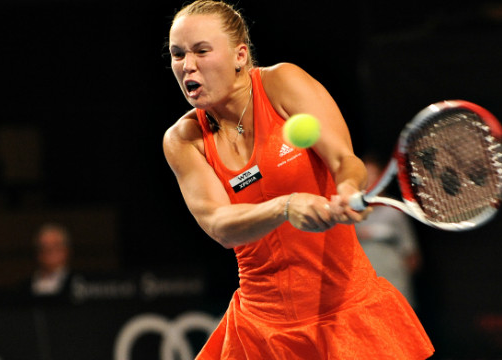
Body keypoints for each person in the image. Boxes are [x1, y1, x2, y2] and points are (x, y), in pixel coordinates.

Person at [162, 1, 434, 358]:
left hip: (345, 313)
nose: (188, 65)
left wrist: (349, 190)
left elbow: (343, 160)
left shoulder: (283, 83)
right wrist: (286, 206)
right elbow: (219, 225)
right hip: (259, 329)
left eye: (201, 51)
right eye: (177, 54)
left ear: (240, 56)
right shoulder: (183, 140)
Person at [354, 153, 423, 308]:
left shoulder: (394, 211)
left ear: (381, 179)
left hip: (395, 287)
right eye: (364, 175)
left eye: (373, 175)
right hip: (362, 294)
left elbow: (411, 256)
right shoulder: (350, 215)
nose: (369, 180)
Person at [30, 222, 73, 300]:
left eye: (55, 246)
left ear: (66, 250)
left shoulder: (77, 284)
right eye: (43, 247)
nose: (48, 252)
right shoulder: (26, 287)